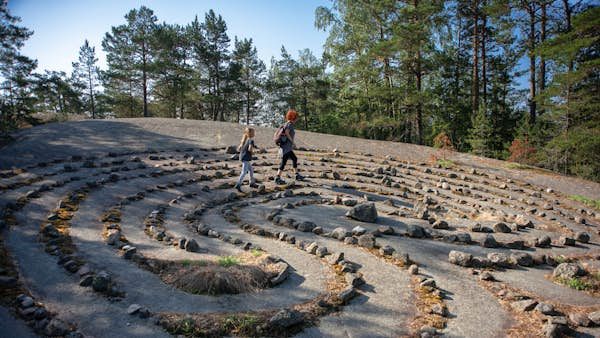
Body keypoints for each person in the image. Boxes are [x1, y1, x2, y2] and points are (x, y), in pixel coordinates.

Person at [275, 110, 304, 184]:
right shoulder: (289, 124)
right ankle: (277, 177)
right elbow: (287, 133)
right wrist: (292, 142)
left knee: (294, 158)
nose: (297, 119)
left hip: (286, 147)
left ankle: (296, 175)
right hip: (286, 147)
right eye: (296, 117)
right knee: (284, 162)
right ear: (293, 117)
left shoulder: (286, 123)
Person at [234, 127, 258, 192]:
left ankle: (252, 183)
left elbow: (240, 149)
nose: (254, 133)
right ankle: (238, 184)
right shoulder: (251, 140)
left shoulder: (245, 140)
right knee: (244, 172)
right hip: (246, 158)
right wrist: (253, 153)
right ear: (250, 133)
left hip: (243, 157)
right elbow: (250, 149)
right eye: (253, 132)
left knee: (251, 170)